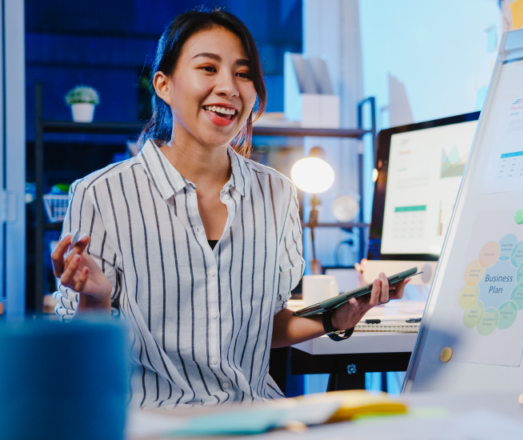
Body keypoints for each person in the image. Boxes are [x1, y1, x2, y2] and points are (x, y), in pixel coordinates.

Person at [50, 8, 408, 408]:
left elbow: (260, 329)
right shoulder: (101, 194)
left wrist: (334, 319)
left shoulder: (277, 193)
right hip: (154, 424)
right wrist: (95, 300)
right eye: (208, 68)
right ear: (164, 85)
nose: (229, 88)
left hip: (255, 416)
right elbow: (81, 351)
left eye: (242, 73)